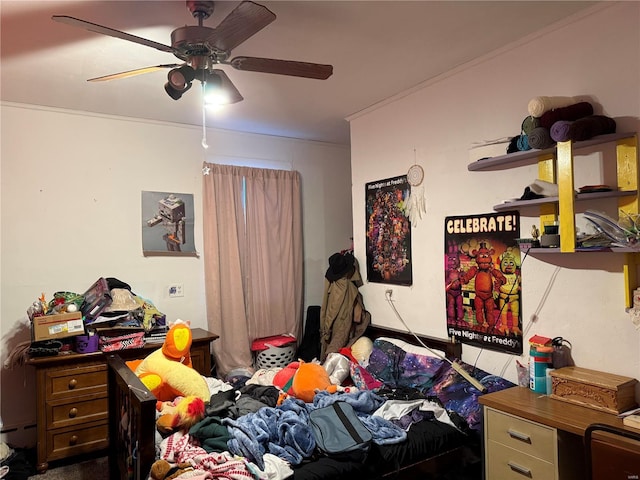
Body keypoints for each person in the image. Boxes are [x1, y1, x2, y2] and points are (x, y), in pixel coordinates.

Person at [320, 252, 370, 361]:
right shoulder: (345, 287)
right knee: (335, 351)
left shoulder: (334, 284)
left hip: (334, 325)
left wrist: (326, 329)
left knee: (332, 351)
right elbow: (357, 317)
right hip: (341, 324)